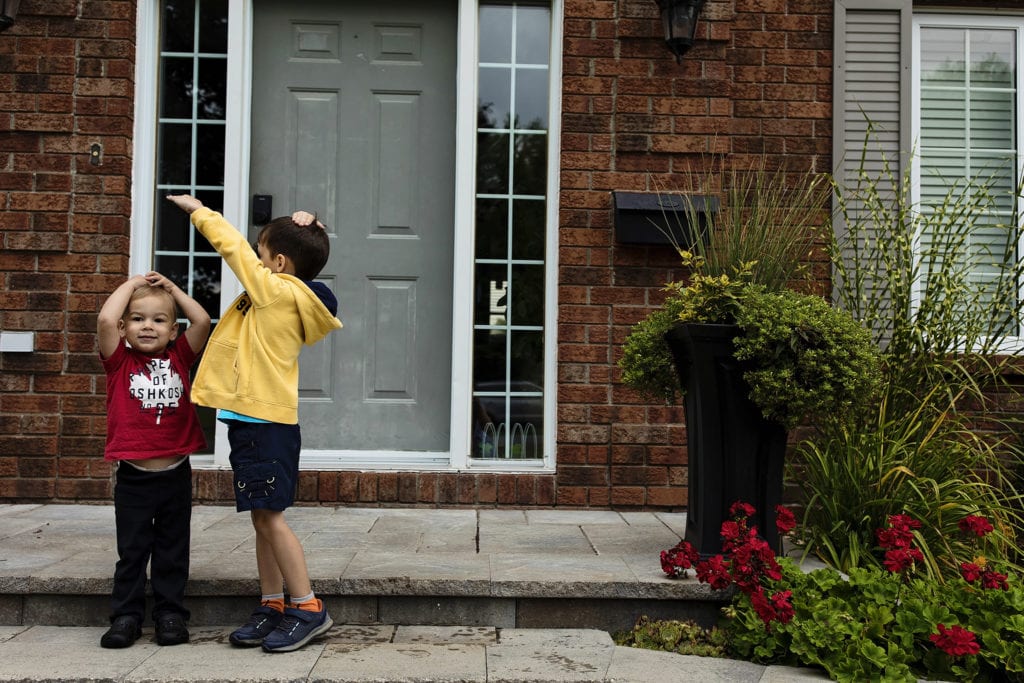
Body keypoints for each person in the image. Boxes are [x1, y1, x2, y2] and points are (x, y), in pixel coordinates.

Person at [166, 194, 342, 653]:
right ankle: (273, 603)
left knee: (272, 518)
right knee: (262, 517)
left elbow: (233, 250)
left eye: (262, 256)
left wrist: (198, 211)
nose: (255, 263)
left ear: (278, 263)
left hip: (265, 423)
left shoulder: (277, 291)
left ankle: (307, 606)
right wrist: (310, 225)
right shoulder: (283, 291)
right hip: (254, 421)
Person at [97, 272, 211, 648]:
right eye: (138, 318)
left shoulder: (180, 356)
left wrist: (172, 291)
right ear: (123, 326)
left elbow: (202, 321)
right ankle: (127, 616)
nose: (148, 326)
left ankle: (170, 615)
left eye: (158, 320)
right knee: (132, 551)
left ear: (173, 331)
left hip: (176, 476)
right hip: (134, 478)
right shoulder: (118, 362)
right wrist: (131, 285)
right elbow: (103, 320)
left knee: (172, 550)